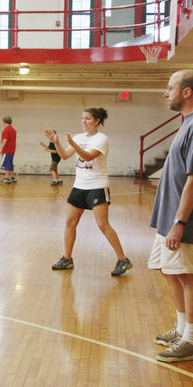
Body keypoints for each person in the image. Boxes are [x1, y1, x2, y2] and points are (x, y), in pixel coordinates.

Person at [149, 70, 193, 363]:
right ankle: (181, 328)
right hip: (170, 218)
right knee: (169, 270)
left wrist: (179, 223)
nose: (167, 93)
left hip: (183, 221)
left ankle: (191, 340)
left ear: (187, 92)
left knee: (188, 275)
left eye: (170, 88)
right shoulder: (190, 122)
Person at [46, 107, 132, 277]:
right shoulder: (78, 137)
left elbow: (88, 156)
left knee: (102, 224)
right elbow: (64, 156)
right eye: (82, 118)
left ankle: (123, 259)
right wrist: (57, 142)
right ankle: (67, 258)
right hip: (80, 186)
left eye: (88, 118)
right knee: (70, 223)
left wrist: (73, 144)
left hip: (97, 185)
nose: (84, 121)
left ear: (97, 121)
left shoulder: (102, 139)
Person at [0, 115, 17, 183]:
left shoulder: (6, 129)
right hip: (12, 149)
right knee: (10, 163)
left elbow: (5, 139)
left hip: (7, 149)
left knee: (7, 164)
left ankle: (6, 178)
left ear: (4, 122)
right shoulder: (13, 129)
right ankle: (13, 177)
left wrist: (1, 148)